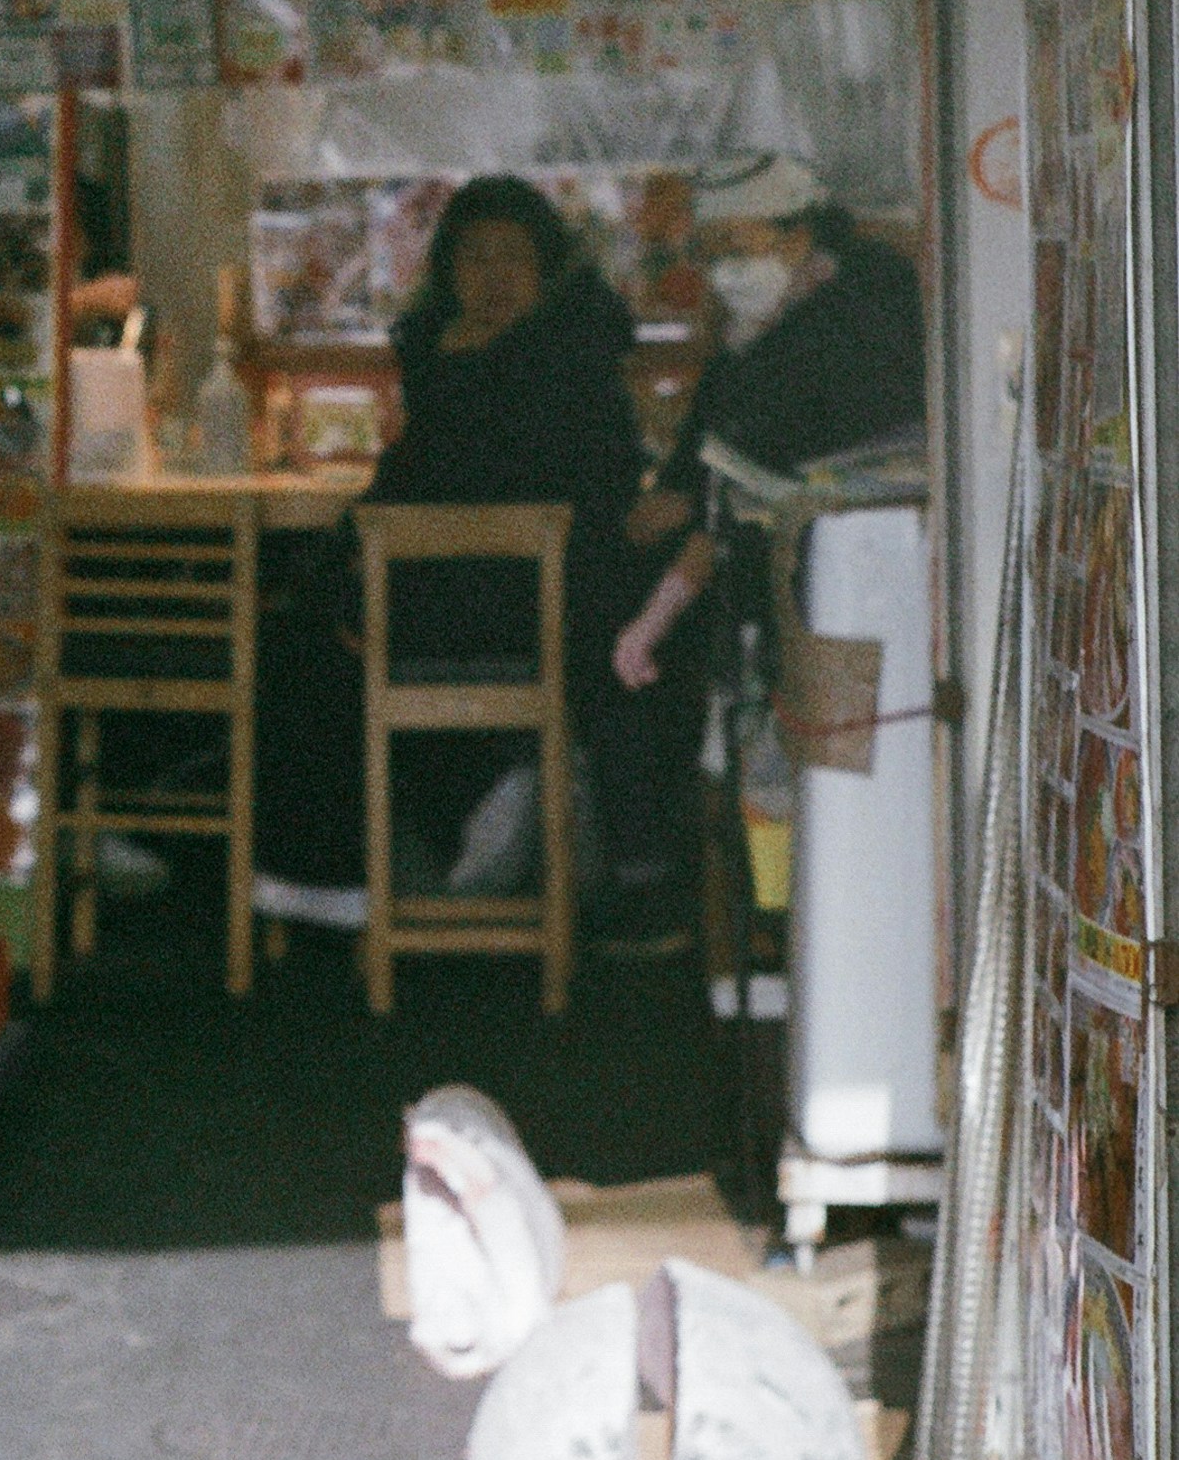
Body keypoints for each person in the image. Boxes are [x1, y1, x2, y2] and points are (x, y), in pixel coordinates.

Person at [254, 175, 674, 938]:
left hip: (524, 608)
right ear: (446, 269)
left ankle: (339, 868)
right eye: (474, 258)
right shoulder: (446, 355)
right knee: (300, 624)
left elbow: (544, 489)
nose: (494, 277)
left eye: (513, 258)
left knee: (306, 645)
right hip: (464, 601)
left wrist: (359, 582)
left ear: (547, 271)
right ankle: (446, 815)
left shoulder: (561, 357)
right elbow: (408, 482)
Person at [613, 152, 926, 690]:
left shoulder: (856, 309)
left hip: (872, 584)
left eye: (737, 247)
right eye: (712, 257)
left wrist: (652, 618)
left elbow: (748, 480)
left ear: (797, 232)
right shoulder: (756, 334)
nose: (725, 273)